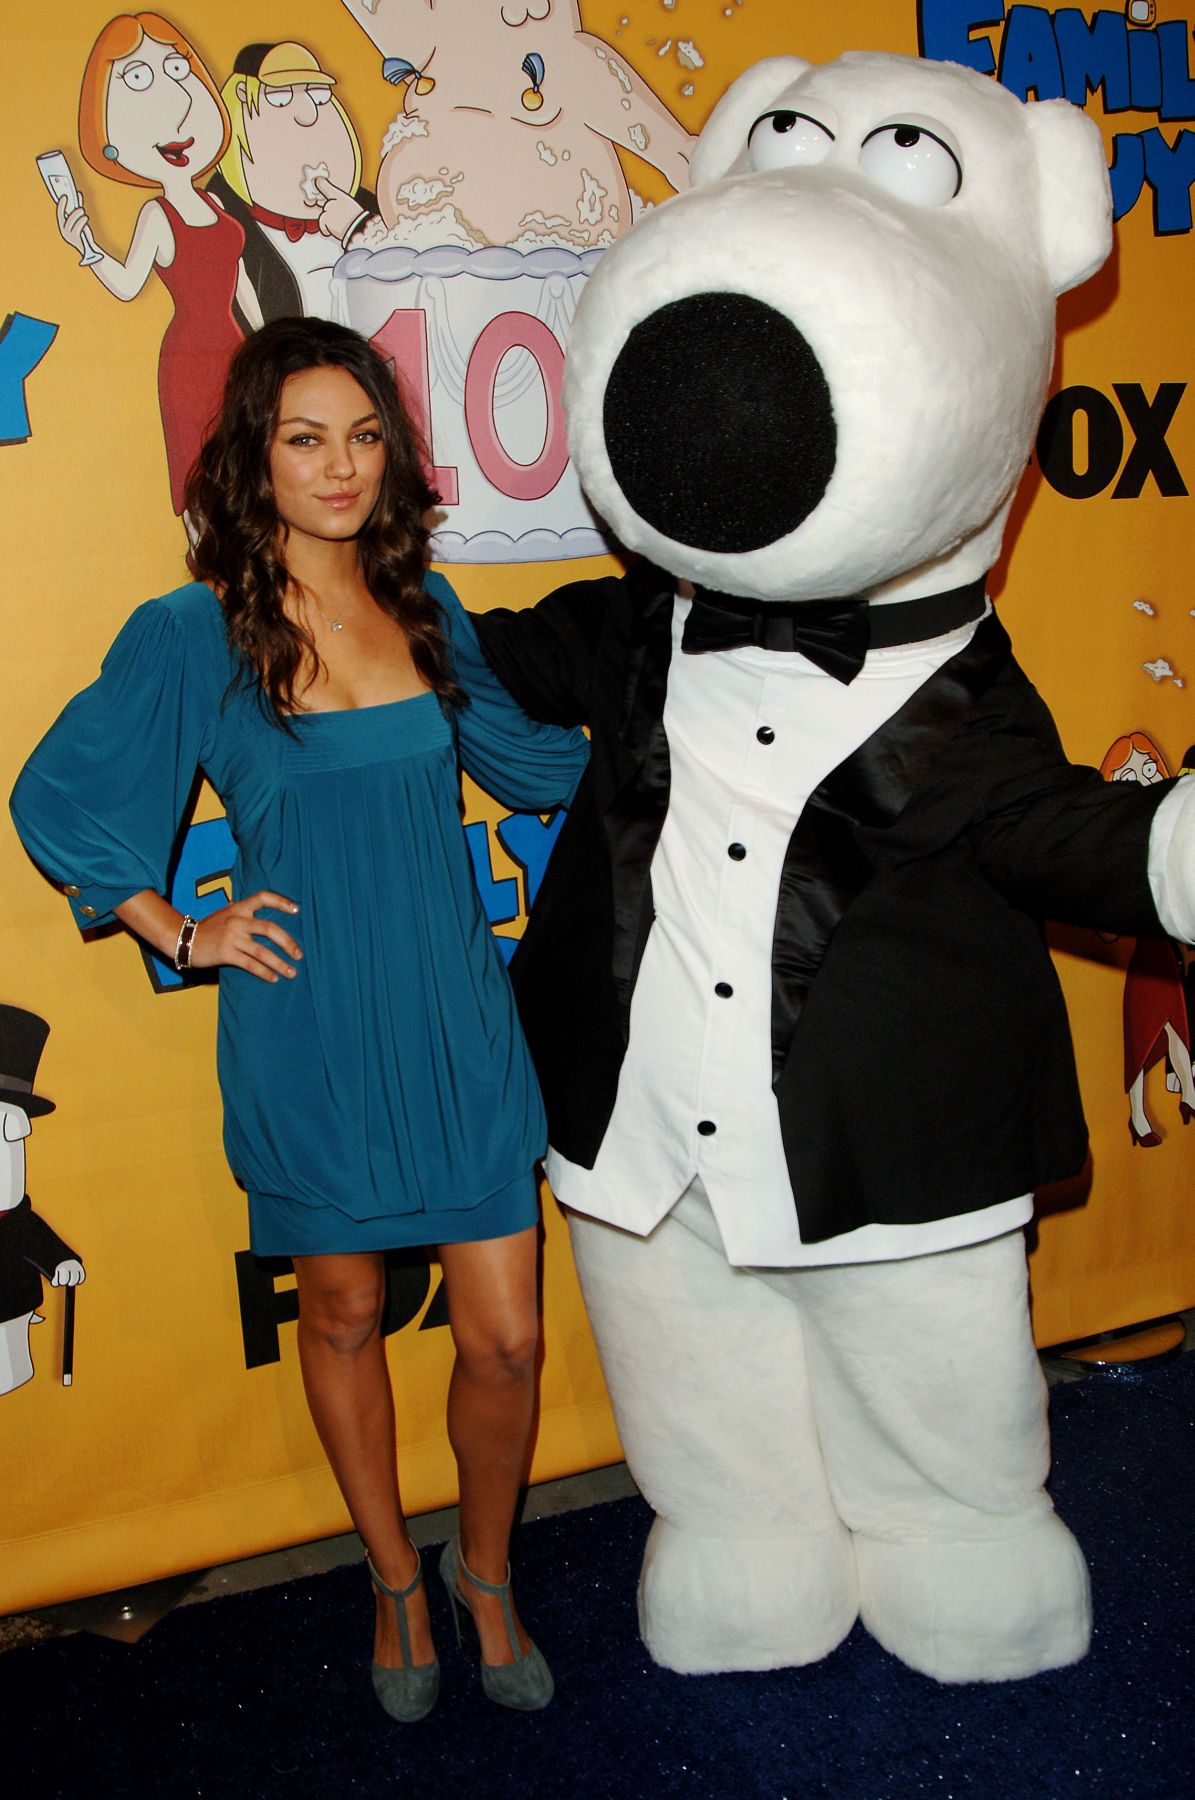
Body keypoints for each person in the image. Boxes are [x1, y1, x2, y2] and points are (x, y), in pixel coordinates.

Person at [10, 316, 589, 1719]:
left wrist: (701, 701)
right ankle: (393, 1579)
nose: (340, 467)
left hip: (454, 1016)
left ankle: (484, 1572)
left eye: (365, 436)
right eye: (305, 438)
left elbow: (534, 767)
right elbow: (60, 796)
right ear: (251, 458)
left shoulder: (426, 609)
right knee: (340, 1312)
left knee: (507, 1338)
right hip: (309, 1021)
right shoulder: (192, 631)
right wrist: (178, 928)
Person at [55, 11, 263, 514]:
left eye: (177, 72)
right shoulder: (157, 213)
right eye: (137, 82)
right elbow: (129, 284)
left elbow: (241, 284)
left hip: (235, 349)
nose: (175, 108)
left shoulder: (215, 203)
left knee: (247, 457)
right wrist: (86, 245)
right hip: (187, 358)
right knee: (199, 463)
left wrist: (271, 344)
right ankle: (201, 544)